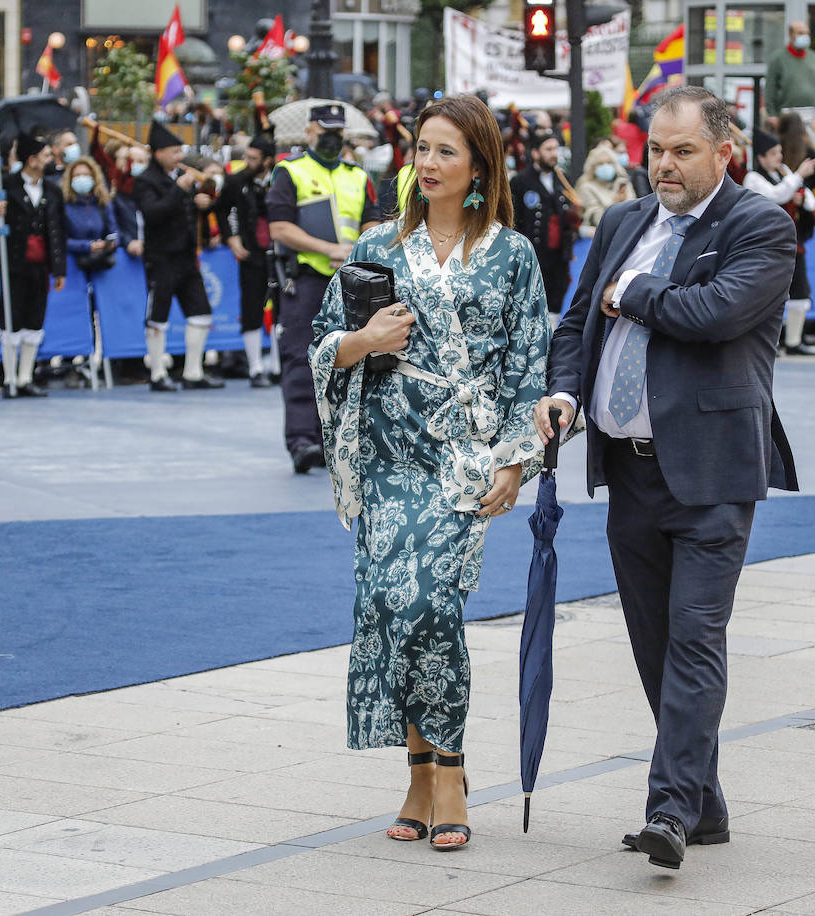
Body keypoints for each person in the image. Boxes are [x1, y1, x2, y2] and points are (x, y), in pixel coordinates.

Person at [538, 85, 797, 872]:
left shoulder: (761, 225)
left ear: (725, 151)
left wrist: (636, 293)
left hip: (714, 473)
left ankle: (670, 809)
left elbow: (715, 312)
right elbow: (580, 321)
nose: (665, 165)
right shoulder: (620, 221)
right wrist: (563, 391)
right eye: (657, 149)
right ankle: (705, 800)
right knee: (654, 646)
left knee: (693, 640)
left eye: (683, 150)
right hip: (629, 473)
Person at [309, 94, 549, 853]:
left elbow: (527, 362)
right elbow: (323, 343)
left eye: (446, 151)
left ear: (479, 164)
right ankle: (420, 771)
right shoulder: (381, 244)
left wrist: (516, 459)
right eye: (420, 149)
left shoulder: (513, 254)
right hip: (387, 450)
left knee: (432, 605)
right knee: (389, 601)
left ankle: (450, 768)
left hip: (462, 454)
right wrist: (364, 340)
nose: (429, 164)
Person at [269, 104, 381, 470]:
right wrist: (329, 249)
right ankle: (303, 441)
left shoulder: (357, 175)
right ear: (309, 131)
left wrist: (355, 252)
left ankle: (337, 440)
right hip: (306, 279)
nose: (332, 137)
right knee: (302, 360)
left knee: (350, 362)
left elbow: (371, 223)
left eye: (337, 130)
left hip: (350, 280)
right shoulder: (290, 172)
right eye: (325, 129)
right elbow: (280, 228)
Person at [134, 121, 226, 392]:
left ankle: (193, 372)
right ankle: (158, 373)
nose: (179, 157)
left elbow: (186, 211)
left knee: (201, 314)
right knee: (157, 316)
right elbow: (153, 213)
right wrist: (180, 189)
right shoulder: (144, 181)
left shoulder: (179, 176)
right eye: (174, 151)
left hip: (186, 257)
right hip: (161, 257)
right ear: (159, 152)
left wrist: (200, 203)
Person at [0, 133, 67, 397]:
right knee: (11, 318)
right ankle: (9, 379)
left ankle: (25, 377)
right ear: (32, 159)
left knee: (36, 318)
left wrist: (59, 268)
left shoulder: (53, 191)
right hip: (15, 262)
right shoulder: (5, 186)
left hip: (41, 265)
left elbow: (59, 230)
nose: (50, 159)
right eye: (46, 155)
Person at [743, 129, 815, 355]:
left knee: (800, 291)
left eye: (779, 152)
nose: (779, 157)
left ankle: (794, 342)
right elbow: (776, 195)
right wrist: (798, 176)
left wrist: (801, 195)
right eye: (774, 153)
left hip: (791, 243)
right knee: (766, 295)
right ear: (761, 158)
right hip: (765, 244)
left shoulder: (783, 174)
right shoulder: (753, 178)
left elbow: (811, 202)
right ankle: (765, 343)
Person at [216, 133, 280, 388]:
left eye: (253, 158)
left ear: (267, 161)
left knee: (282, 313)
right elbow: (221, 209)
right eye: (246, 156)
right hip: (250, 253)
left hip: (279, 254)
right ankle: (255, 368)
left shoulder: (282, 179)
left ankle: (277, 366)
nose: (247, 161)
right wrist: (231, 239)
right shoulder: (236, 181)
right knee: (251, 309)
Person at [511, 132, 578, 319]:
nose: (553, 154)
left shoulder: (563, 179)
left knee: (558, 297)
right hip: (534, 255)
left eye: (555, 149)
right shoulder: (520, 181)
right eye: (548, 149)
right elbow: (514, 221)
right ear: (535, 153)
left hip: (560, 254)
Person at [61, 156, 117, 276]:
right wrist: (87, 246)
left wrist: (111, 243)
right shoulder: (63, 205)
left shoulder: (103, 202)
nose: (82, 178)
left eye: (86, 175)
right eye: (77, 175)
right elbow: (61, 240)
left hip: (101, 265)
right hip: (73, 269)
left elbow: (114, 230)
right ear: (70, 179)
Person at [764, 21, 815, 117]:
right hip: (787, 116)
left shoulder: (814, 57)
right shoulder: (778, 58)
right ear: (790, 35)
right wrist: (772, 115)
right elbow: (770, 89)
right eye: (800, 33)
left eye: (807, 33)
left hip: (811, 115)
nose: (805, 36)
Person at [575, 144, 633, 233]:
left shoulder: (623, 183)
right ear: (593, 168)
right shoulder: (586, 188)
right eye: (600, 164)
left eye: (609, 162)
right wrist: (615, 204)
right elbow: (597, 220)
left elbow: (635, 210)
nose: (606, 166)